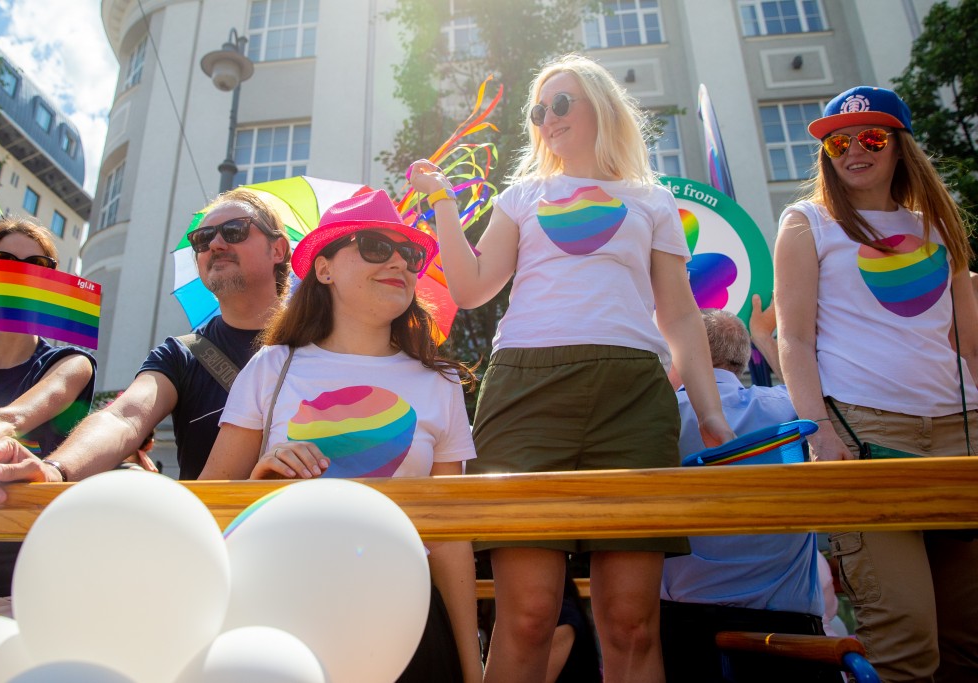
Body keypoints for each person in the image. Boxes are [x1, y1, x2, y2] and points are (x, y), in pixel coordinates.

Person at [410, 54, 734, 683]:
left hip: (632, 399)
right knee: (529, 615)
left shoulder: (652, 199)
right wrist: (447, 203)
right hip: (525, 392)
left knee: (632, 621)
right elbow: (474, 287)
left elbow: (681, 316)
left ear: (601, 108)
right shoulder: (522, 194)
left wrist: (712, 411)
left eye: (562, 103)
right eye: (539, 110)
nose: (548, 119)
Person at [199, 189, 483, 683]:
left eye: (410, 253)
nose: (399, 261)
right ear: (324, 269)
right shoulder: (272, 366)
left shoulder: (441, 381)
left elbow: (451, 537)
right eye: (375, 246)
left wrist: (470, 666)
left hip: (408, 622)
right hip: (286, 613)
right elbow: (209, 506)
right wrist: (262, 479)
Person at [774, 86, 978, 682]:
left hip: (959, 436)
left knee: (967, 642)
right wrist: (822, 437)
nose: (853, 150)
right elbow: (793, 340)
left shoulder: (938, 224)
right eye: (839, 141)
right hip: (866, 436)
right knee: (905, 641)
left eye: (871, 137)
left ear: (900, 146)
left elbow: (969, 341)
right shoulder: (806, 222)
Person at [0, 188, 290, 498]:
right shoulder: (182, 354)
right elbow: (123, 418)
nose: (215, 244)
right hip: (217, 541)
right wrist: (54, 471)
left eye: (234, 230)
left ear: (278, 249)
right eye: (202, 239)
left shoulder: (324, 340)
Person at [659, 309, 824, 681]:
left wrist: (676, 366)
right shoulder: (785, 407)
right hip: (790, 629)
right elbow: (820, 399)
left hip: (687, 628)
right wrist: (765, 337)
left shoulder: (663, 416)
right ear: (745, 358)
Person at [0, 218, 97, 612]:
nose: (18, 272)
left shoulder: (70, 364)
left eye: (37, 264)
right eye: (3, 259)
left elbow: (8, 421)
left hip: (20, 587)